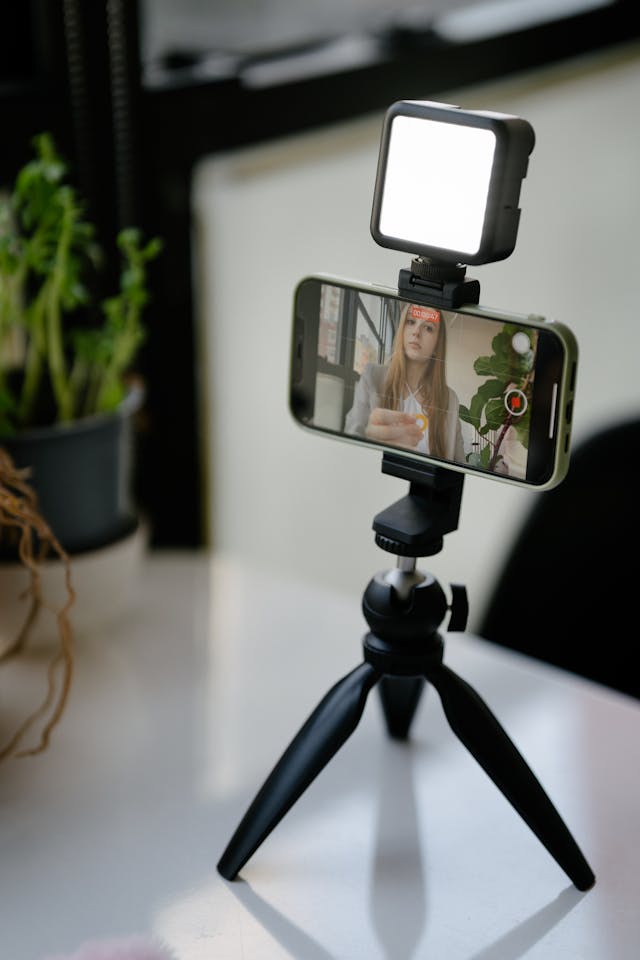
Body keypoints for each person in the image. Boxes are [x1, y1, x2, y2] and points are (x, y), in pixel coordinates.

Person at [344, 302, 465, 461]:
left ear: (438, 345)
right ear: (402, 330)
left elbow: (459, 463)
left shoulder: (450, 399)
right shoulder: (372, 377)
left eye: (428, 327)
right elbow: (350, 438)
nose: (416, 332)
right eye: (411, 322)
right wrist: (369, 441)